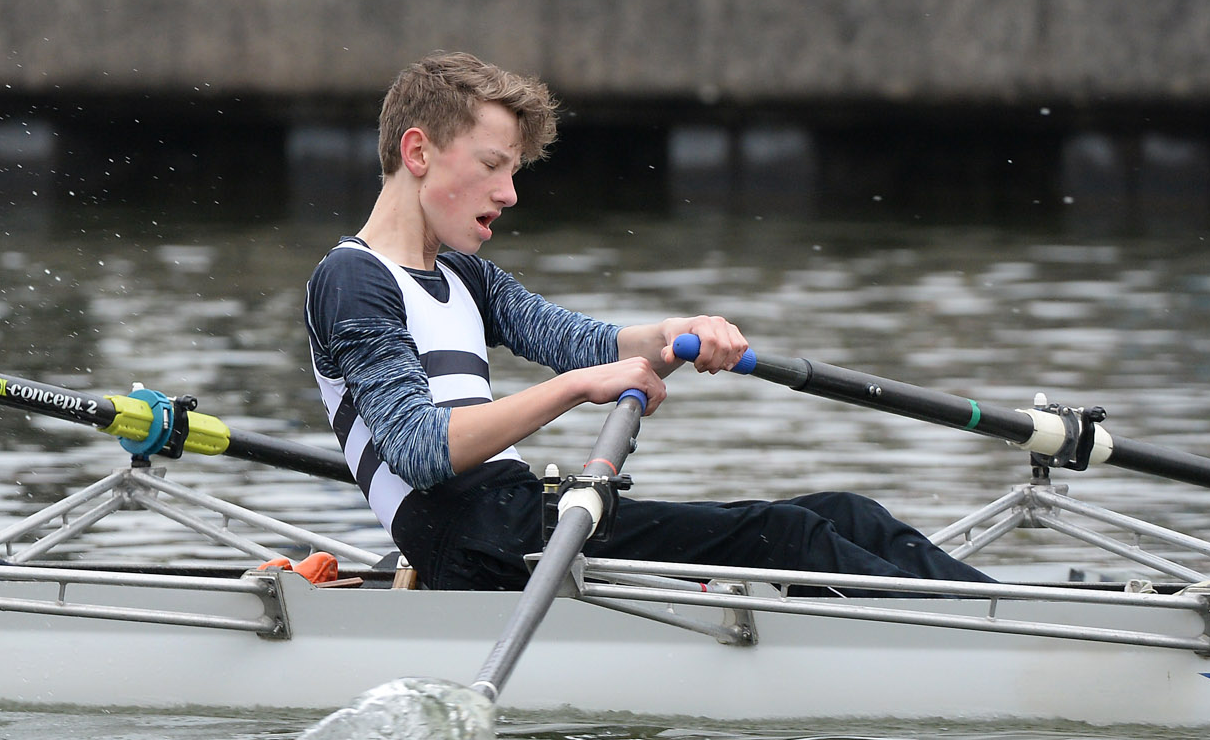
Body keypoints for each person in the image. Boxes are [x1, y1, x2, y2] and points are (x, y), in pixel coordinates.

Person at [305, 52, 998, 593]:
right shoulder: (353, 279)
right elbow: (422, 451)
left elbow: (583, 342)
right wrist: (580, 388)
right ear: (418, 153)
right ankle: (980, 648)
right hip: (468, 539)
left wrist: (677, 334)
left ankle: (1015, 615)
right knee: (786, 537)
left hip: (521, 519)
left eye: (514, 172)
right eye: (493, 167)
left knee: (849, 515)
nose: (509, 193)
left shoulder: (463, 274)